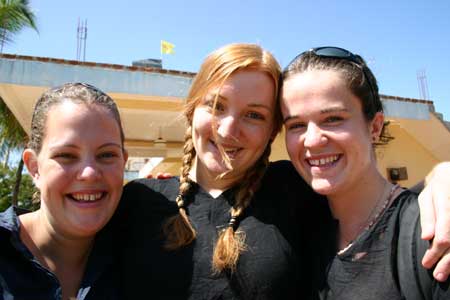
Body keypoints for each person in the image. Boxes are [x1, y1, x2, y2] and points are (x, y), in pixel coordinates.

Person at [116, 43, 450, 300]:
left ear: (271, 131)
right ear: (192, 110)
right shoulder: (137, 200)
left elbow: (387, 205)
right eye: (216, 106)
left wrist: (442, 176)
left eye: (254, 115)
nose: (229, 129)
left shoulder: (292, 190)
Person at [281, 46, 450, 299]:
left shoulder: (432, 235)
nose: (312, 140)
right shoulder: (290, 234)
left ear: (375, 127)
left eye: (333, 119)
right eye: (296, 125)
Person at [0, 83, 128, 299]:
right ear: (34, 167)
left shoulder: (142, 254)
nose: (89, 173)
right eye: (66, 155)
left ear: (124, 162)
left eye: (106, 155)